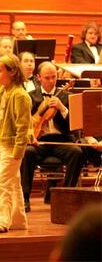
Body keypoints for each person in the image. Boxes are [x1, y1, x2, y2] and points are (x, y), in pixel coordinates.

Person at [20, 61, 83, 213]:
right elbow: (25, 122)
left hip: (62, 141)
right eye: (47, 77)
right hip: (39, 141)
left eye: (53, 77)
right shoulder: (30, 97)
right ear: (38, 77)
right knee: (27, 153)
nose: (51, 81)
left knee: (77, 153)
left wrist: (62, 108)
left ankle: (66, 196)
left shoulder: (67, 96)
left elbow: (75, 125)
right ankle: (25, 198)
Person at [0, 54, 32, 233]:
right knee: (14, 183)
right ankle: (18, 220)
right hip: (2, 144)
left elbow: (23, 126)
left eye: (0, 71)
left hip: (12, 146)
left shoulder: (20, 96)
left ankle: (0, 220)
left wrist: (18, 150)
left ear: (12, 72)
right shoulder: (2, 93)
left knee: (3, 183)